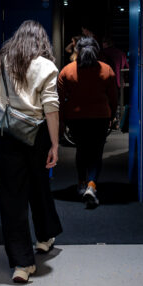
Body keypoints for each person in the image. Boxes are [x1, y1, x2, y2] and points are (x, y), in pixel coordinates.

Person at [0, 20, 62, 284]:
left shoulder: (0, 63)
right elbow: (51, 107)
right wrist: (54, 144)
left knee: (11, 199)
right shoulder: (46, 66)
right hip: (37, 134)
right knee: (39, 187)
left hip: (6, 135)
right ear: (41, 41)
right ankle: (44, 237)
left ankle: (21, 264)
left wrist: (5, 124)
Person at [57, 36, 119, 209]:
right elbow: (113, 98)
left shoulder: (67, 71)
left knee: (82, 150)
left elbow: (60, 100)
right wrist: (111, 116)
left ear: (77, 50)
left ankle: (81, 183)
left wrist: (61, 121)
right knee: (97, 152)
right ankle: (92, 185)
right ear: (96, 50)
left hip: (76, 119)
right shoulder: (106, 70)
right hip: (100, 117)